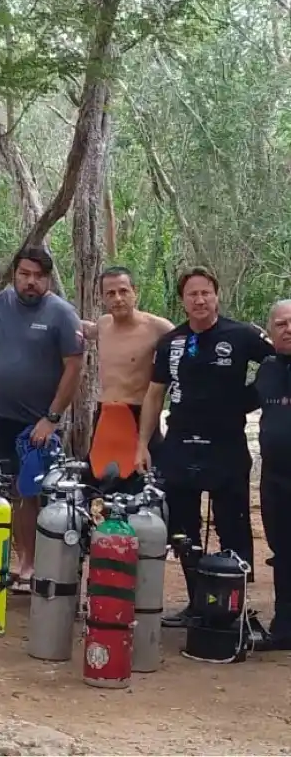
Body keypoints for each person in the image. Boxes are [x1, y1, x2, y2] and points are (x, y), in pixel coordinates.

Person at [135, 266, 273, 628]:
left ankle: (232, 608)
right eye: (192, 294)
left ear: (216, 295)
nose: (199, 300)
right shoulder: (172, 342)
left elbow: (275, 365)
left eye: (205, 293)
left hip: (227, 444)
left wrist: (251, 398)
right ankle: (198, 602)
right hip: (180, 443)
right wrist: (142, 444)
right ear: (183, 301)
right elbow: (154, 394)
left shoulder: (242, 335)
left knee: (233, 526)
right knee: (183, 529)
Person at [0, 247, 84, 593]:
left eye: (39, 276)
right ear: (15, 273)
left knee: (37, 493)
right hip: (5, 418)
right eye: (25, 274)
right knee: (15, 490)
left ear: (47, 278)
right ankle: (23, 561)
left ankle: (42, 564)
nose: (31, 281)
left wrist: (52, 418)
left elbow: (74, 367)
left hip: (41, 424)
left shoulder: (61, 313)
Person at [80, 266, 173, 491]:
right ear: (102, 297)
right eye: (110, 294)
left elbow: (189, 338)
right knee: (96, 493)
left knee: (144, 491)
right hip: (105, 418)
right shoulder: (103, 324)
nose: (118, 298)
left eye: (123, 291)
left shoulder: (157, 327)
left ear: (134, 292)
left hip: (140, 417)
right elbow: (85, 329)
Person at [253, 299, 291, 651]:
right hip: (275, 476)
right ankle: (283, 628)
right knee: (281, 550)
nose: (288, 329)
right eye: (280, 324)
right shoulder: (268, 369)